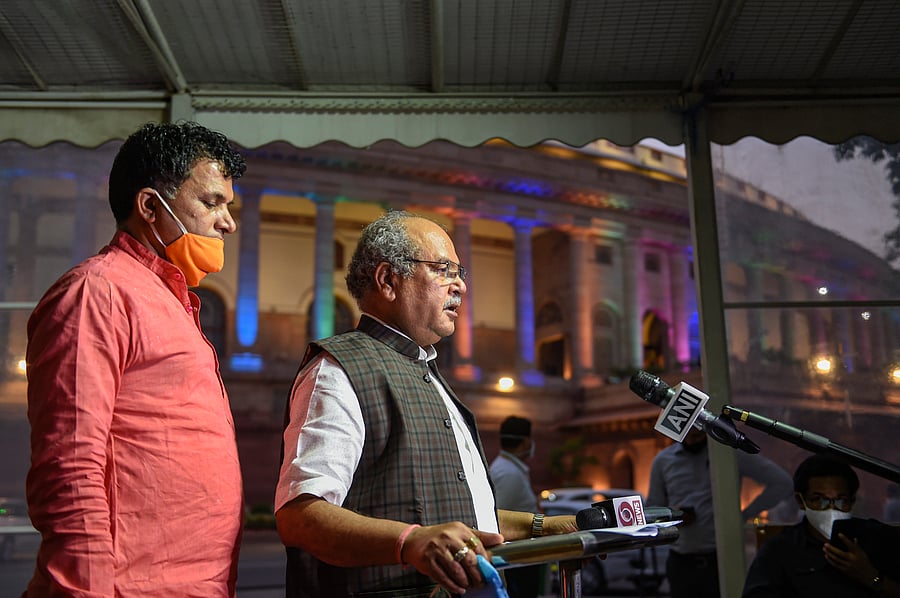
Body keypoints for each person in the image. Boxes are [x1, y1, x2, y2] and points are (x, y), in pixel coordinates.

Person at [275, 211, 578, 598]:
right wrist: (407, 543)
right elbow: (300, 517)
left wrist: (545, 527)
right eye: (443, 269)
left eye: (460, 273)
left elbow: (457, 516)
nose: (460, 287)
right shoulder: (338, 370)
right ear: (388, 280)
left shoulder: (427, 371)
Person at [24, 122, 247, 596]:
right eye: (212, 203)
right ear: (149, 206)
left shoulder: (171, 299)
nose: (227, 222)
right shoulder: (97, 293)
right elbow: (69, 463)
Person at [647, 426, 793, 598]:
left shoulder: (729, 455)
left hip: (722, 560)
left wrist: (742, 515)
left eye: (698, 427)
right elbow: (652, 510)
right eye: (689, 427)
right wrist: (673, 516)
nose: (693, 432)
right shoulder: (663, 460)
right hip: (681, 563)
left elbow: (782, 482)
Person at [742, 454, 900, 597]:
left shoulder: (877, 537)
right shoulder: (780, 549)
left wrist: (871, 576)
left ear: (851, 501)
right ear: (801, 501)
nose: (831, 508)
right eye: (819, 499)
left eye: (840, 499)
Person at [489, 416, 543, 598]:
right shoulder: (507, 473)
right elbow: (500, 518)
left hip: (522, 558)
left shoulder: (509, 469)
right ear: (526, 441)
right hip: (516, 560)